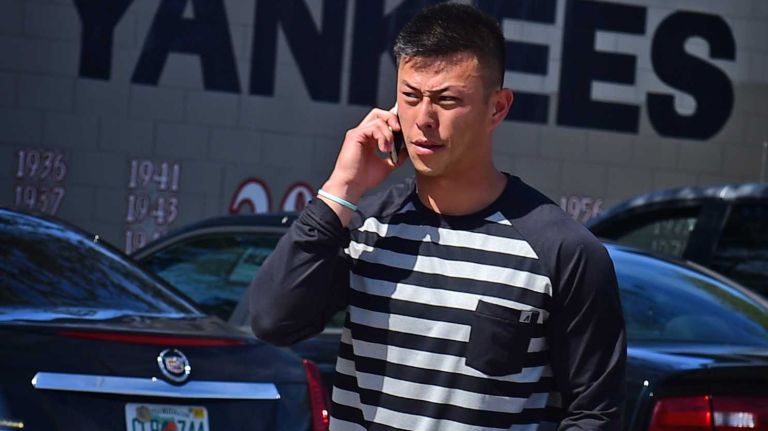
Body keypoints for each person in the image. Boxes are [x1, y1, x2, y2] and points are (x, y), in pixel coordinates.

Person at [250, 3, 626, 430]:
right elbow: (271, 321)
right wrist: (342, 189)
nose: (424, 119)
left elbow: (595, 415)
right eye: (410, 96)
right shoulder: (367, 227)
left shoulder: (564, 251)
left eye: (447, 100)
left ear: (498, 108)